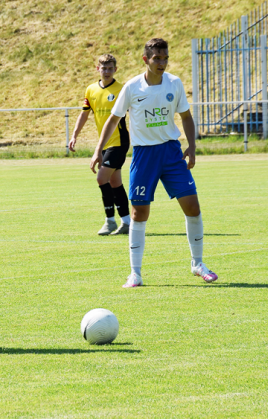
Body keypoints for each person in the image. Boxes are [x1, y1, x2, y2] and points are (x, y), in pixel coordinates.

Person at [92, 38, 218, 288]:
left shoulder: (174, 83)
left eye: (165, 58)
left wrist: (191, 146)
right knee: (140, 213)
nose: (161, 62)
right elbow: (113, 120)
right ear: (145, 60)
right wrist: (98, 150)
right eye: (156, 58)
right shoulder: (132, 87)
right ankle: (135, 274)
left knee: (192, 207)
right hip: (144, 156)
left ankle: (197, 264)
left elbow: (186, 117)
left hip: (171, 154)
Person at [70, 53, 132, 236]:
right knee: (115, 182)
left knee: (101, 178)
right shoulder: (91, 90)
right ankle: (127, 222)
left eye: (110, 68)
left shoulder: (122, 89)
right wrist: (74, 135)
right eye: (103, 68)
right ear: (97, 69)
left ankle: (110, 221)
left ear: (115, 70)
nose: (106, 71)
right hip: (105, 142)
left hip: (119, 142)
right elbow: (84, 114)